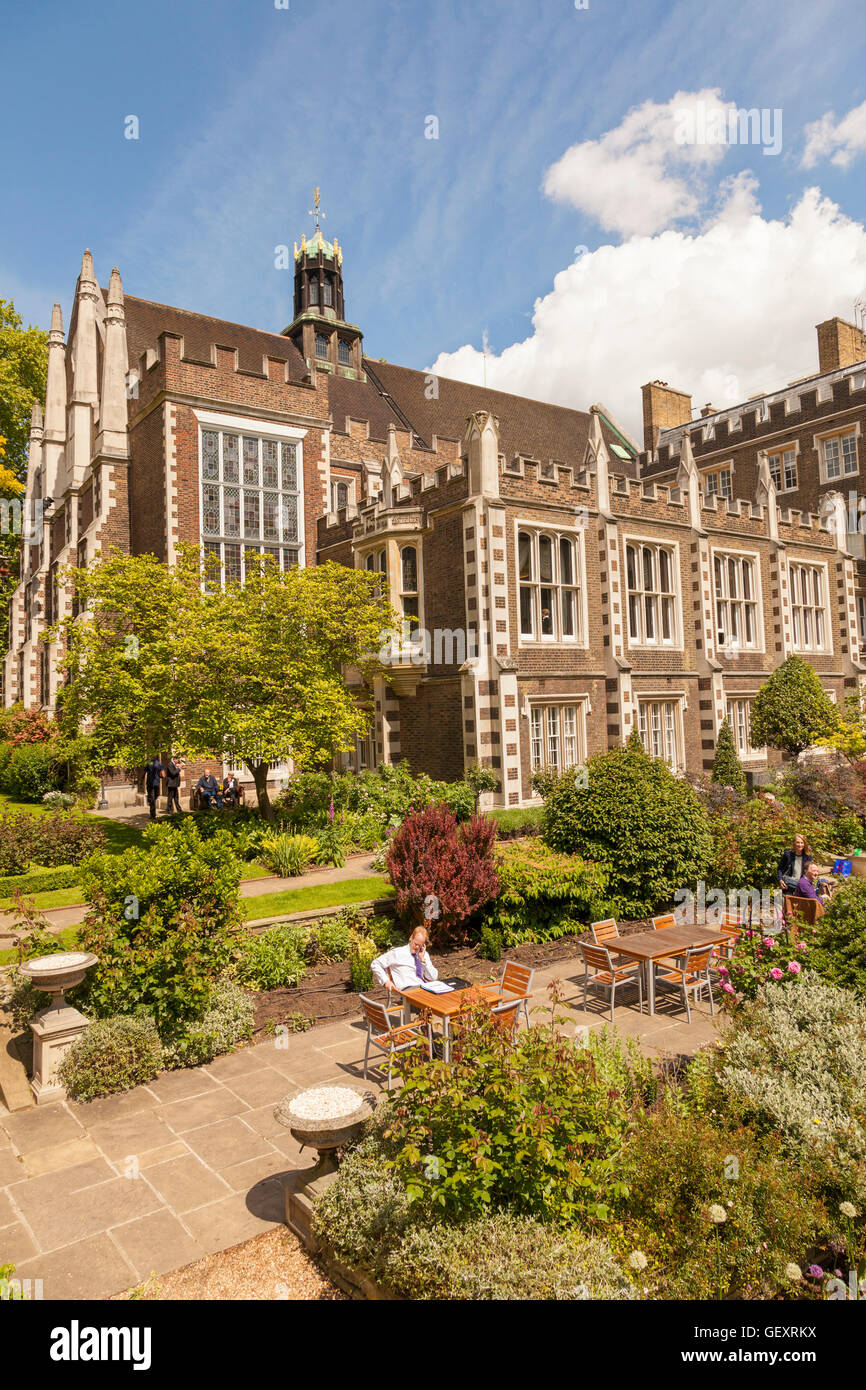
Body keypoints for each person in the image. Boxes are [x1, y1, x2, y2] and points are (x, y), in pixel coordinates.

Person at [371, 925, 438, 997]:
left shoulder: (423, 954)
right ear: (411, 938)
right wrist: (386, 981)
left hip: (424, 988)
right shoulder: (398, 953)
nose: (417, 947)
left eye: (420, 945)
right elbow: (375, 964)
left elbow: (433, 977)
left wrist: (423, 961)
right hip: (408, 991)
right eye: (416, 944)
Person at [144, 755, 164, 821]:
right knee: (155, 797)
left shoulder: (148, 764)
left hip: (149, 783)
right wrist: (159, 777)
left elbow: (144, 773)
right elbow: (163, 775)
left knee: (151, 799)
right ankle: (153, 812)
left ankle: (152, 814)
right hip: (156, 784)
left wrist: (141, 780)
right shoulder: (160, 764)